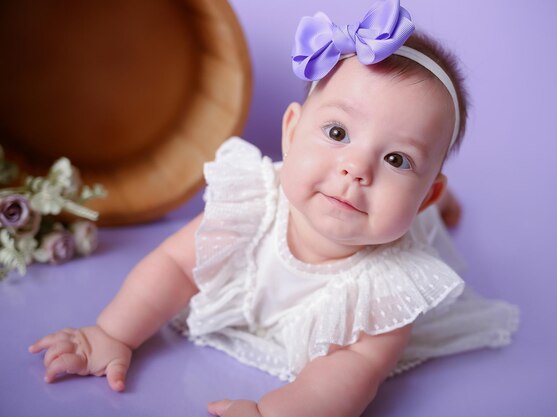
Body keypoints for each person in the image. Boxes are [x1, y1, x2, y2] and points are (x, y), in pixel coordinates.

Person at [29, 1, 519, 416]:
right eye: (337, 133)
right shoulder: (254, 204)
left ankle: (441, 208)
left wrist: (273, 410)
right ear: (290, 131)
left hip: (401, 230)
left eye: (396, 159)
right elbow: (175, 264)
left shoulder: (389, 289)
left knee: (427, 227)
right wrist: (110, 333)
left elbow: (355, 371)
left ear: (423, 193)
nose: (355, 168)